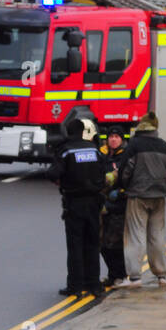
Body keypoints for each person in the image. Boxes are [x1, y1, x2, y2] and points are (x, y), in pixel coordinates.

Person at [49, 118, 112, 297]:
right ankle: (94, 285)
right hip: (94, 201)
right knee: (92, 243)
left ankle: (75, 286)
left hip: (74, 201)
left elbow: (53, 172)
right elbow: (104, 172)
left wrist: (60, 180)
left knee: (75, 245)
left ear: (67, 131)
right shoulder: (94, 149)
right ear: (83, 131)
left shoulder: (65, 150)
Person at [118, 112, 166, 286]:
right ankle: (161, 274)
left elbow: (125, 170)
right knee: (157, 235)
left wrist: (123, 186)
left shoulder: (134, 145)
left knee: (136, 235)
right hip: (159, 195)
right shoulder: (164, 146)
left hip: (137, 195)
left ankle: (135, 276)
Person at [99, 125, 129, 286]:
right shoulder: (102, 155)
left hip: (119, 206)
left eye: (117, 137)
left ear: (121, 139)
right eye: (111, 137)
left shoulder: (125, 156)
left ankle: (121, 275)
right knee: (102, 244)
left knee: (115, 243)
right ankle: (112, 275)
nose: (113, 139)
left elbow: (128, 179)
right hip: (103, 205)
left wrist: (120, 192)